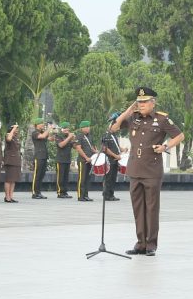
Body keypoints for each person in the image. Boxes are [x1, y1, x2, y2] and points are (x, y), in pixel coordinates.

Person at [110, 86, 183, 256]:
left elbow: (180, 136)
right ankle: (140, 243)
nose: (141, 105)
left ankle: (151, 245)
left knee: (151, 208)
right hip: (135, 170)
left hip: (152, 170)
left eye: (144, 102)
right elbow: (114, 128)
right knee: (138, 208)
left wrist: (165, 146)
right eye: (139, 102)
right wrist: (129, 109)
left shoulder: (162, 119)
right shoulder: (133, 118)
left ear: (153, 103)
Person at [100, 113, 122, 201]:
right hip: (109, 160)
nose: (118, 128)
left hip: (115, 160)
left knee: (113, 178)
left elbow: (115, 146)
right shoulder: (106, 135)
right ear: (111, 126)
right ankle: (106, 195)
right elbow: (105, 149)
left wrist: (122, 150)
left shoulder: (114, 136)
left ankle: (111, 194)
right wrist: (115, 155)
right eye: (116, 126)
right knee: (108, 178)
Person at [73, 120, 95, 201]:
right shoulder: (79, 136)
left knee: (87, 178)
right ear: (82, 128)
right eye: (87, 127)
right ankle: (80, 196)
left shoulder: (90, 136)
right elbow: (78, 148)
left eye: (89, 126)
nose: (88, 128)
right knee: (82, 178)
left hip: (90, 160)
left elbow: (91, 147)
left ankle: (86, 195)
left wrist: (95, 152)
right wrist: (86, 157)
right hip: (83, 160)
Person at [54, 121, 75, 199]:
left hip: (67, 159)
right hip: (60, 160)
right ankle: (60, 192)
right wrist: (69, 137)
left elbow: (75, 147)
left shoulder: (69, 137)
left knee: (66, 177)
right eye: (65, 128)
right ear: (62, 129)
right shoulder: (58, 136)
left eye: (67, 128)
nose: (67, 130)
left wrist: (73, 139)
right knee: (60, 177)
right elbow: (61, 145)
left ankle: (65, 192)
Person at [30, 118, 50, 199]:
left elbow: (49, 138)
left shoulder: (42, 132)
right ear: (37, 125)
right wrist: (48, 129)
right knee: (37, 175)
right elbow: (42, 136)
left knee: (41, 175)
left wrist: (53, 134)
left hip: (44, 156)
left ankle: (38, 192)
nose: (43, 125)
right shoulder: (35, 132)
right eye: (41, 123)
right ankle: (34, 193)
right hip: (38, 156)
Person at [2, 123, 22, 202]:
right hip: (10, 161)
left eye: (17, 129)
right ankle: (7, 197)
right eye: (15, 128)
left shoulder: (16, 137)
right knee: (9, 179)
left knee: (13, 180)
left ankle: (11, 196)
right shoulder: (8, 135)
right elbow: (9, 139)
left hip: (16, 160)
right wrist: (13, 129)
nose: (17, 130)